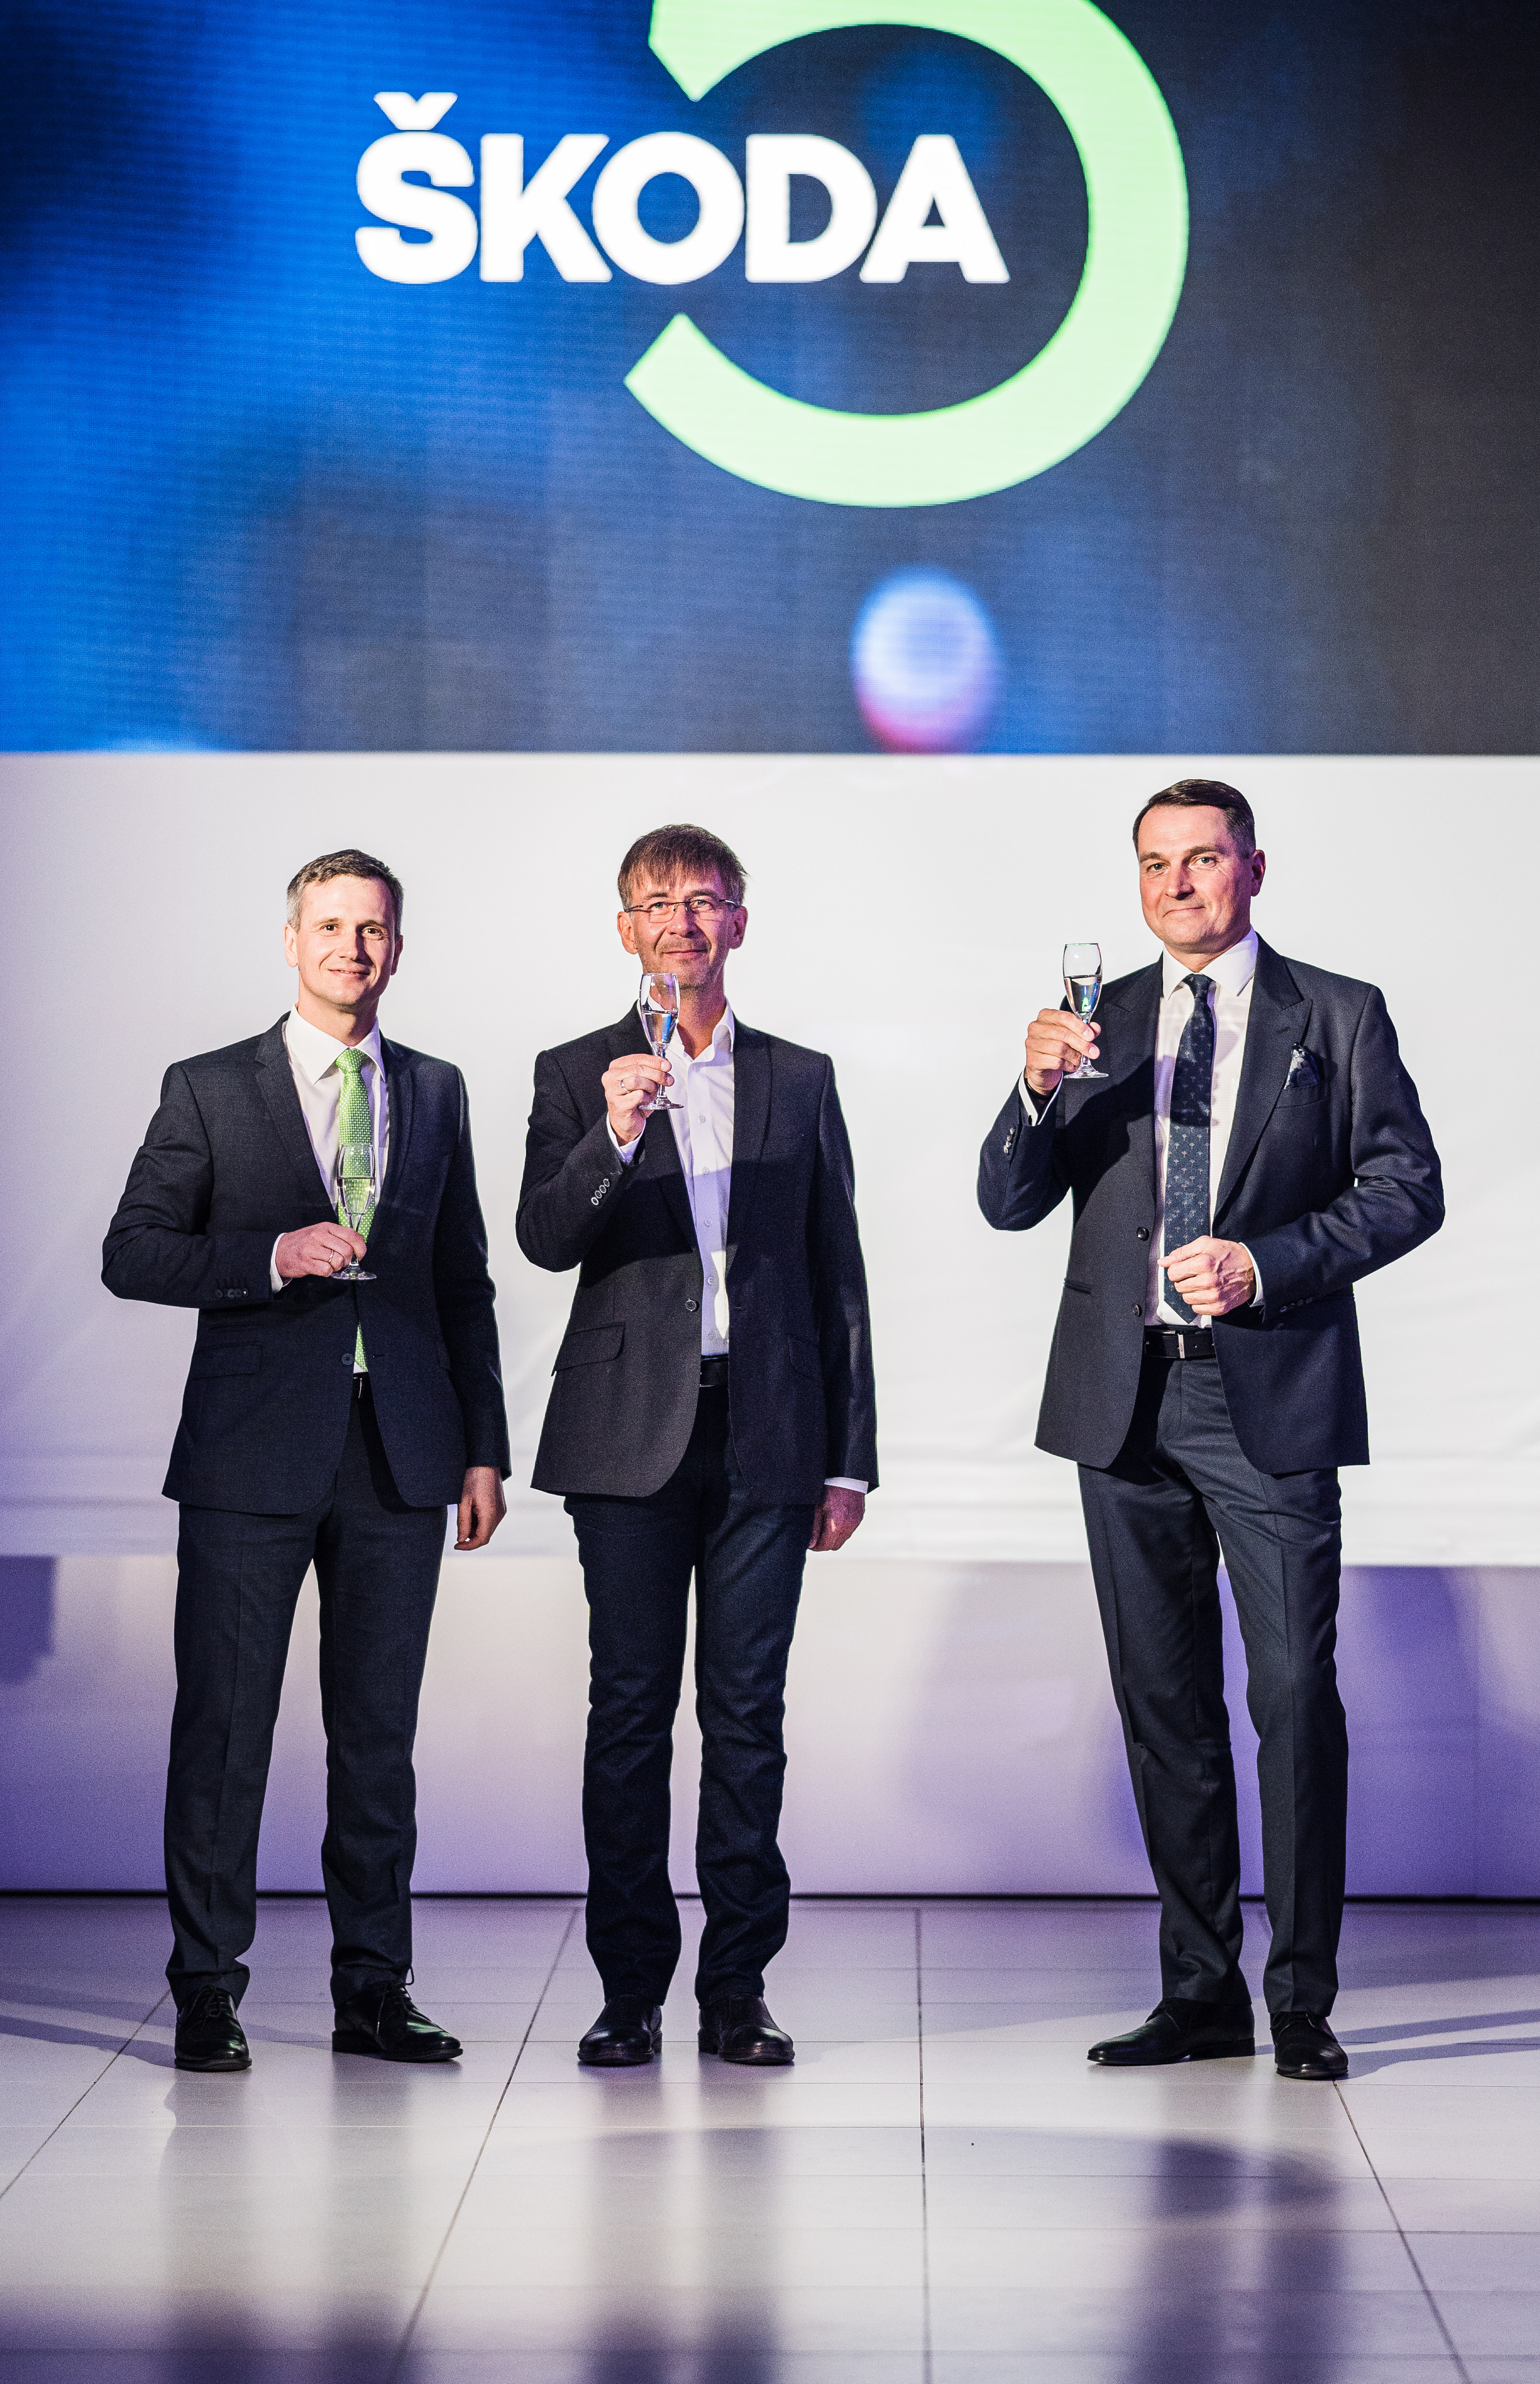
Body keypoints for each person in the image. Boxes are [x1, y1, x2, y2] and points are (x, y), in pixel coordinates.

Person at [978, 782, 1443, 2080]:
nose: (1177, 884)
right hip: (1122, 1400)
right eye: (1154, 864)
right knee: (1164, 1704)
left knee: (1291, 1695)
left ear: (1254, 867)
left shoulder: (1336, 1014)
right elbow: (1008, 1201)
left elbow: (1408, 1186)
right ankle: (1199, 1992)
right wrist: (1034, 1088)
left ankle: (1302, 1999)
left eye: (1202, 858)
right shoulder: (1100, 1021)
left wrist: (1268, 1263)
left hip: (1267, 1394)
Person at [103, 849, 509, 2073]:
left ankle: (374, 1990)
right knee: (225, 1732)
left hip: (402, 1454)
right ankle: (206, 1990)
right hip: (250, 1457)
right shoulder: (210, 1086)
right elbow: (133, 1251)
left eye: (372, 929)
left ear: (398, 947)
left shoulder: (434, 1088)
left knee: (378, 1739)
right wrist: (271, 1254)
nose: (352, 948)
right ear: (292, 942)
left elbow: (463, 1280)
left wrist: (482, 1449)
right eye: (330, 926)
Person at [517, 824, 877, 2068]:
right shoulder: (577, 1071)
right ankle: (628, 1990)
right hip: (626, 1434)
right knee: (628, 1711)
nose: (682, 921)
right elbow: (545, 1239)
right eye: (658, 903)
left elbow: (838, 1272)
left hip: (769, 1431)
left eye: (705, 900)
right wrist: (614, 1134)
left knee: (746, 1714)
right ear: (625, 929)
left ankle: (738, 1990)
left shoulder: (798, 1075)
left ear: (739, 922)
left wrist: (849, 1457)